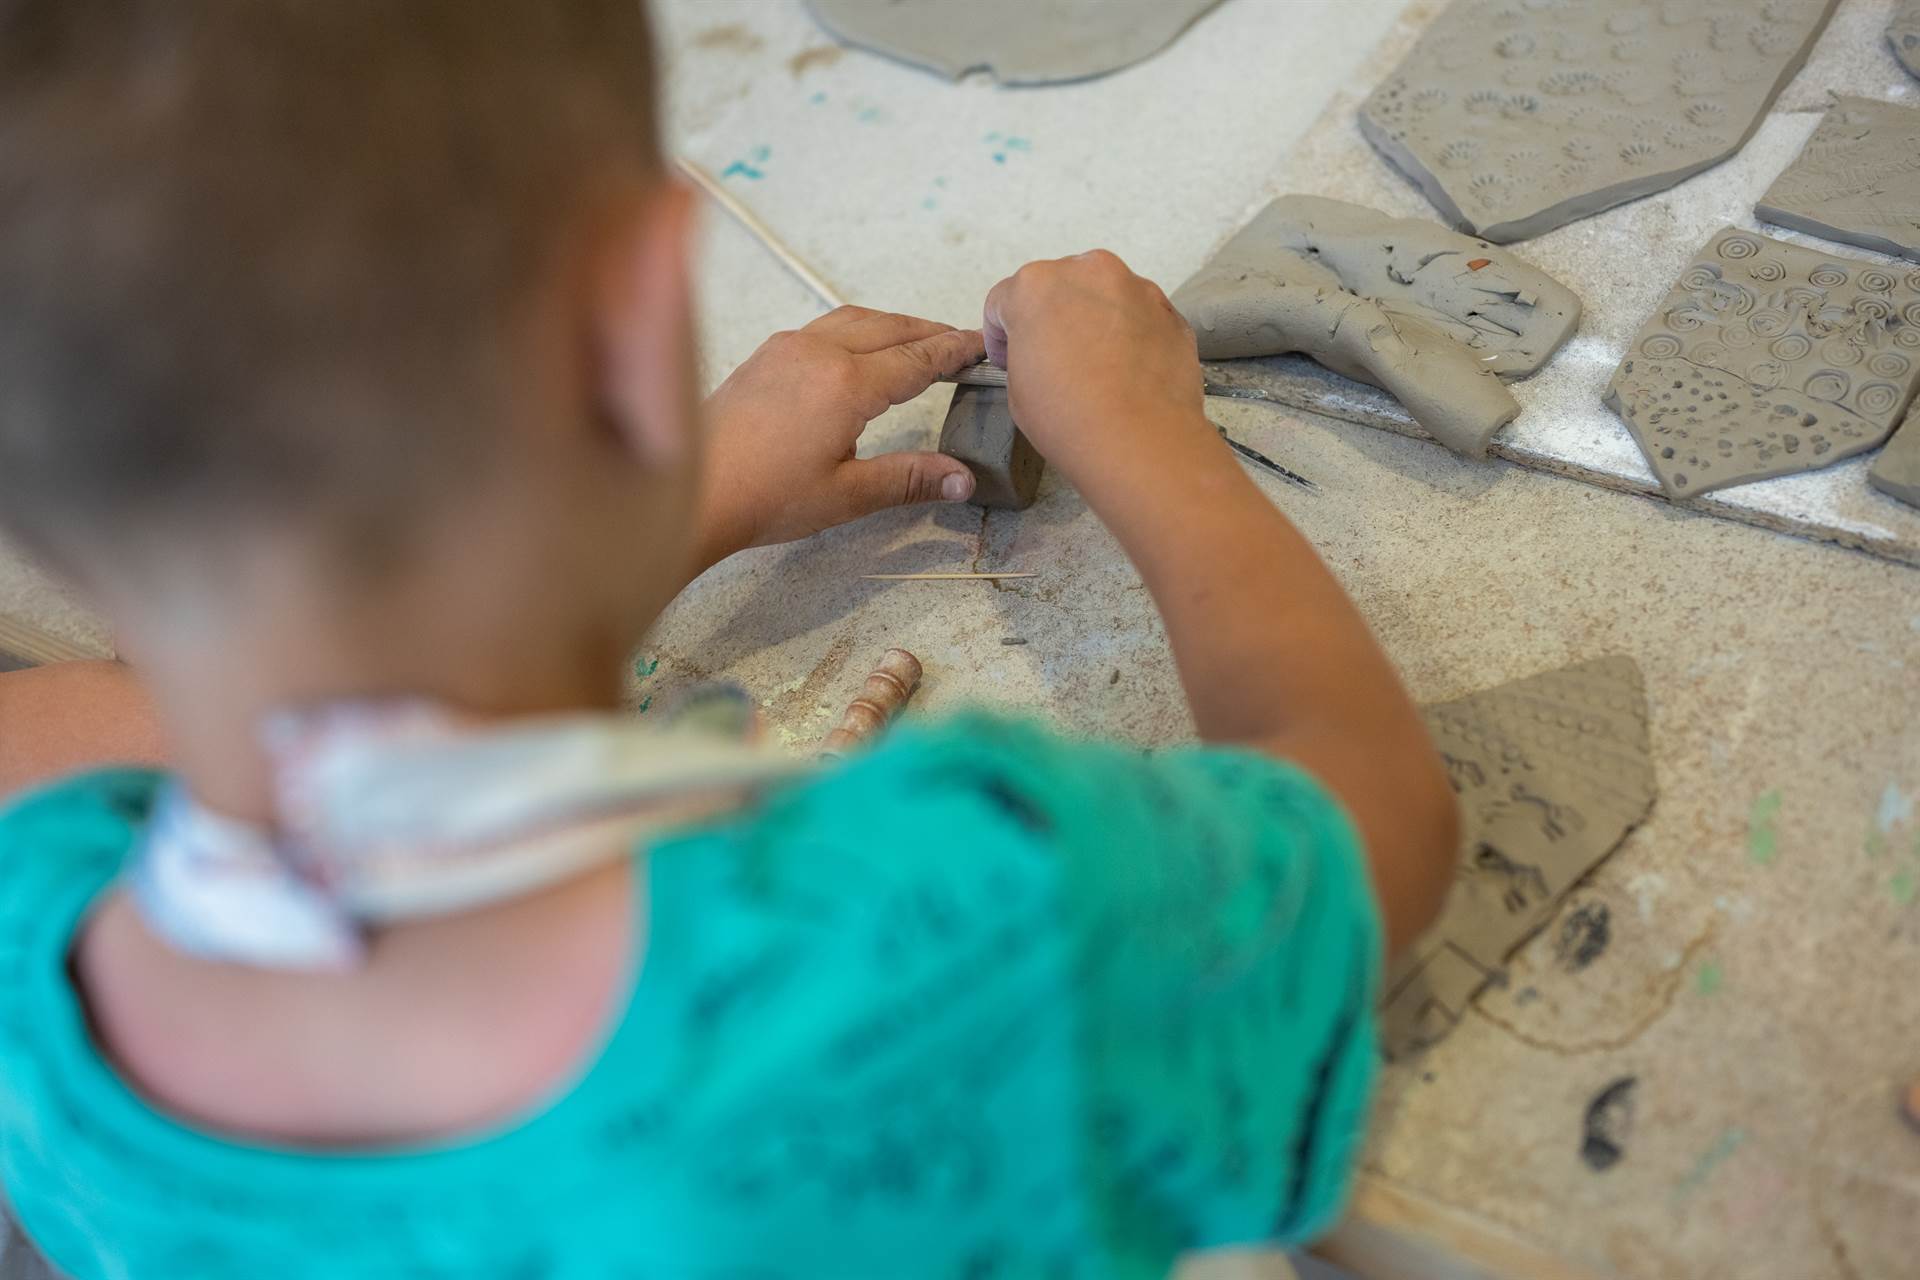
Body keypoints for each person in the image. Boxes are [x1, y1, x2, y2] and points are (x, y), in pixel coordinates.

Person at [0, 3, 1458, 1277]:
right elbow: (1376, 816)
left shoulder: (34, 938)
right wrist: (1145, 435)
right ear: (636, 318)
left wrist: (658, 504)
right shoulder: (947, 924)